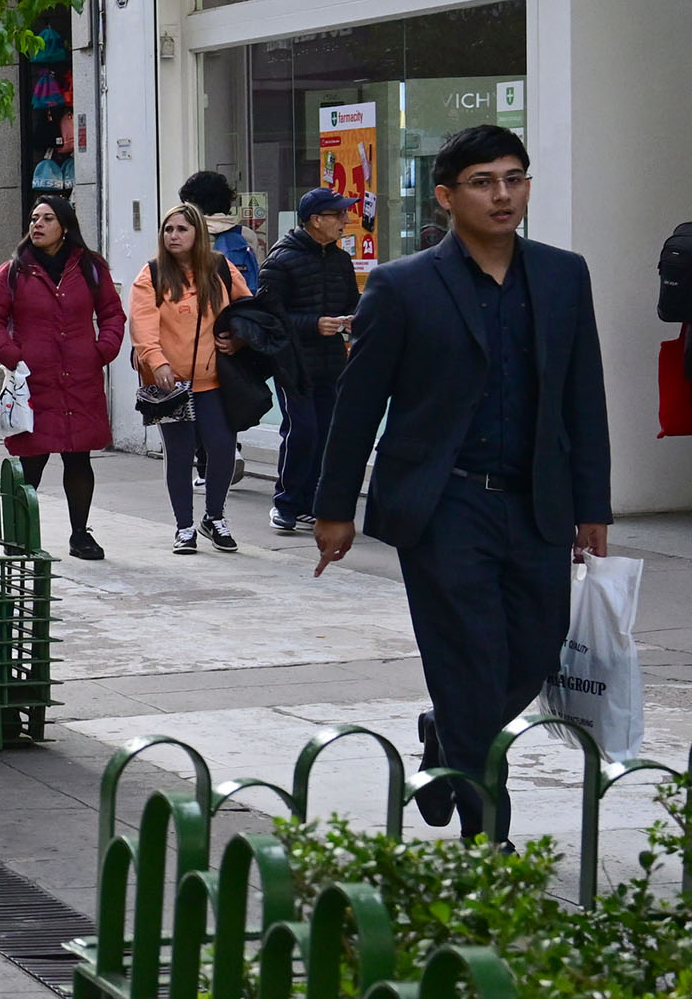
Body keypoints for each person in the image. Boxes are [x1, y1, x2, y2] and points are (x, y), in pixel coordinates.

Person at [314, 125, 611, 845]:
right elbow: (359, 403)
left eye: (515, 178)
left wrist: (592, 504)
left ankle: (446, 733)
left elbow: (584, 396)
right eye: (483, 181)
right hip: (444, 502)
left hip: (536, 502)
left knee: (535, 654)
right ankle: (490, 835)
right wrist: (333, 510)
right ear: (446, 197)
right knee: (471, 660)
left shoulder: (564, 274)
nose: (502, 194)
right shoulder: (402, 284)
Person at [0, 196, 124, 561]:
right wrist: (13, 356)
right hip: (33, 381)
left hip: (80, 378)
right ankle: (20, 536)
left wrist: (102, 350)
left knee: (78, 458)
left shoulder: (91, 269)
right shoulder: (13, 271)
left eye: (47, 219)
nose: (37, 225)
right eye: (33, 218)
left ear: (64, 227)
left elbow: (112, 314)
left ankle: (80, 534)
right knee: (31, 461)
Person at [129, 203, 251, 554]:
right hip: (170, 385)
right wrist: (157, 362)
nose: (173, 236)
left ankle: (214, 518)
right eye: (168, 230)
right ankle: (184, 526)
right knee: (179, 454)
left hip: (214, 381)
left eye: (181, 229)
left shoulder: (219, 268)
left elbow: (247, 310)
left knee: (223, 448)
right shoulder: (151, 274)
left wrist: (239, 338)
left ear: (198, 233)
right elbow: (143, 326)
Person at [255, 187, 361, 533]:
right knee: (303, 431)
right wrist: (314, 324)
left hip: (331, 362)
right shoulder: (282, 259)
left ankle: (310, 503)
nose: (346, 220)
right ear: (316, 220)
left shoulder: (340, 259)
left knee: (327, 433)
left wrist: (356, 317)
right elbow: (268, 317)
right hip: (293, 364)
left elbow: (351, 301)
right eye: (338, 215)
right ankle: (285, 502)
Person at [179, 172, 260, 489]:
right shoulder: (246, 235)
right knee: (227, 393)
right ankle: (230, 446)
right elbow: (256, 285)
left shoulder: (190, 236)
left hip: (196, 329)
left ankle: (210, 460)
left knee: (197, 396)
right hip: (235, 329)